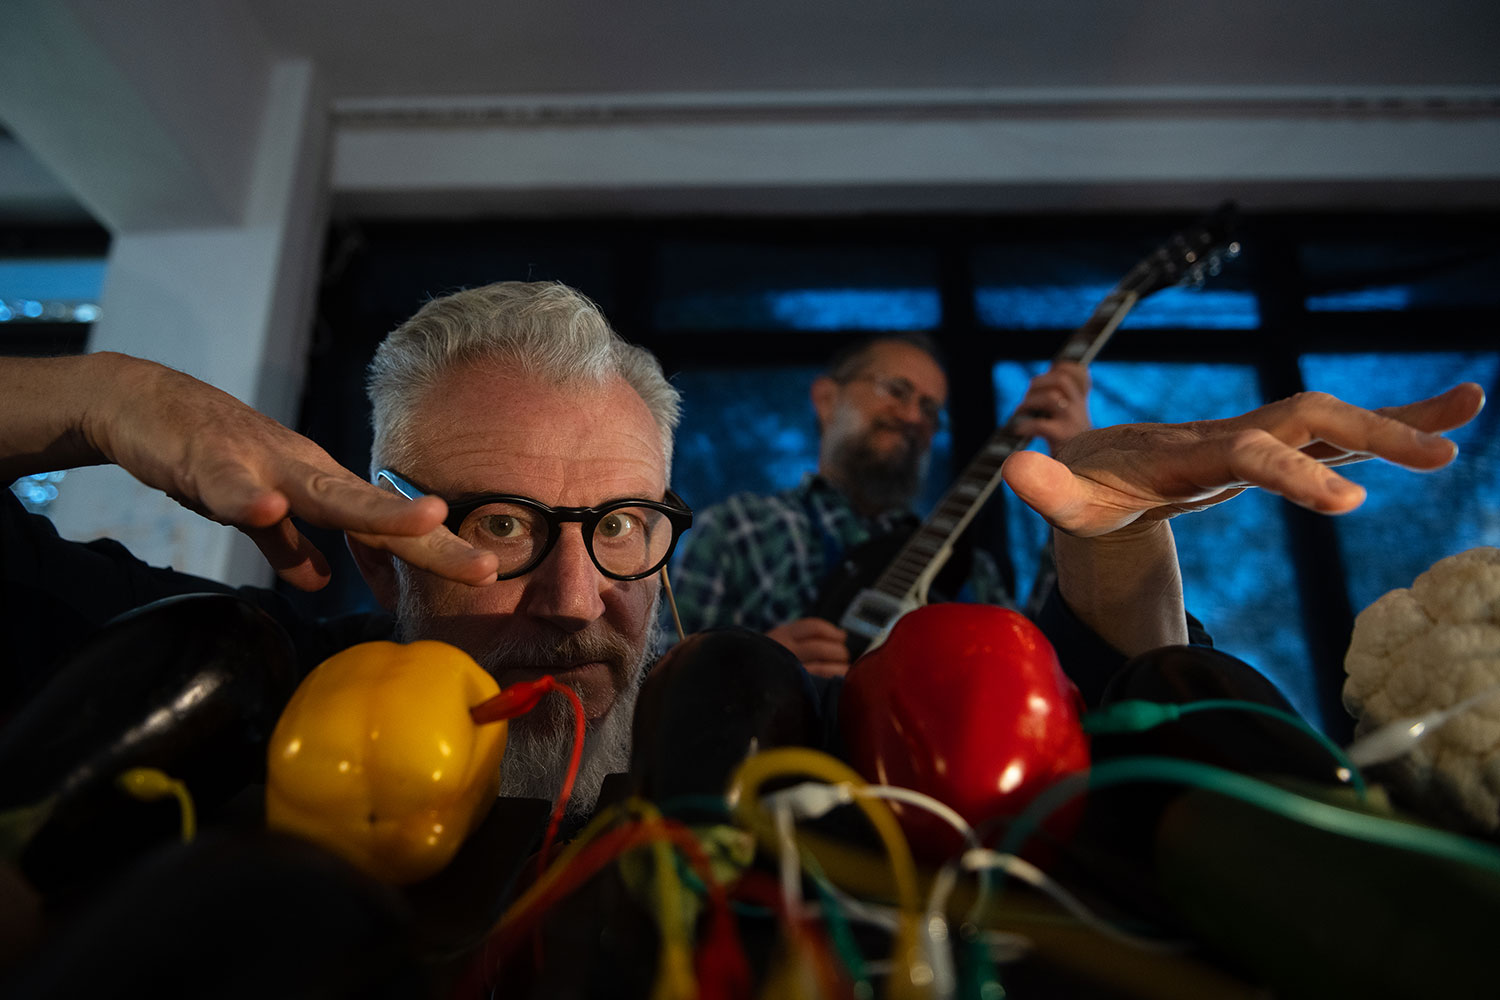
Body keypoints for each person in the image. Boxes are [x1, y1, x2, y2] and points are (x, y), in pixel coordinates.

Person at [0, 281, 1486, 814]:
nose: (574, 599)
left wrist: (1123, 559)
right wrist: (97, 396)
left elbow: (1098, 775)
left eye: (621, 529)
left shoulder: (794, 782)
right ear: (382, 538)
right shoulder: (213, 698)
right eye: (500, 526)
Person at [670, 333, 1094, 677]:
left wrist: (1078, 469)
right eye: (896, 390)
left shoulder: (970, 572)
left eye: (930, 409)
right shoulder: (739, 529)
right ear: (826, 399)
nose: (913, 417)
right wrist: (749, 666)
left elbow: (1042, 665)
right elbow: (660, 681)